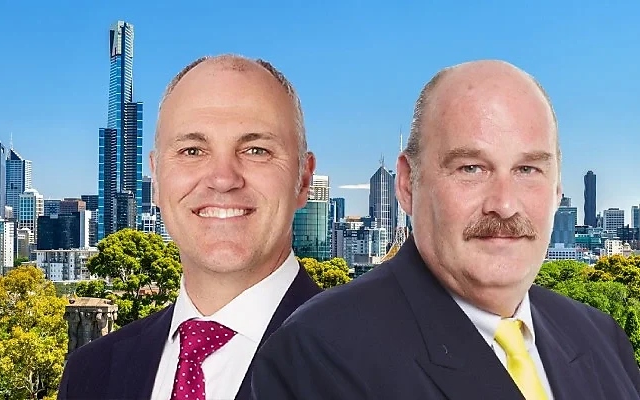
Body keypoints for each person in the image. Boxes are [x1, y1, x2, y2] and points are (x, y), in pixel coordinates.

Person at [251, 60, 640, 400]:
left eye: (527, 169)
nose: (504, 205)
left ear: (557, 190)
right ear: (407, 185)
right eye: (471, 168)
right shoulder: (314, 356)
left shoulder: (601, 337)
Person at [58, 54, 322, 400]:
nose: (223, 179)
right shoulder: (91, 372)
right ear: (155, 179)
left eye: (256, 149)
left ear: (303, 179)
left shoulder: (382, 368)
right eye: (193, 151)